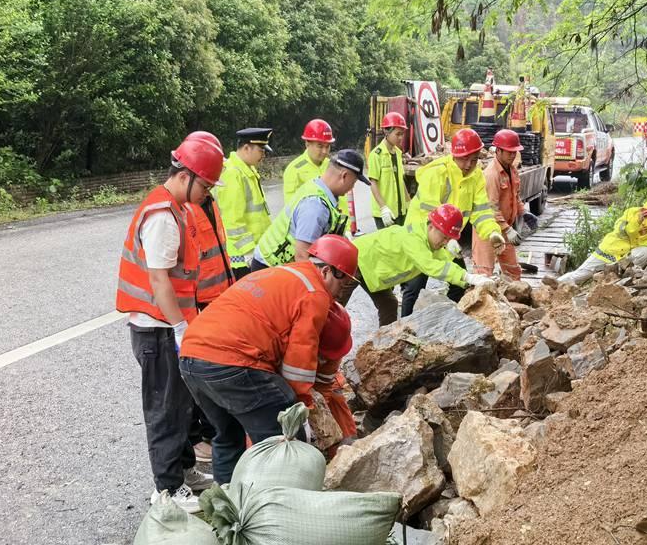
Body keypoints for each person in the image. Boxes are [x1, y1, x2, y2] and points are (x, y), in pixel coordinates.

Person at [178, 235, 358, 485]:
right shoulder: (314, 293)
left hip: (192, 358)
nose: (340, 294)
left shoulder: (285, 274)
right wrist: (301, 409)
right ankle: (278, 507)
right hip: (231, 360)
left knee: (228, 436)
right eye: (344, 284)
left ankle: (228, 505)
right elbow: (300, 359)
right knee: (284, 438)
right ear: (327, 272)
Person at [115, 135, 221, 513]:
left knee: (182, 406)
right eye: (206, 185)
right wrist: (179, 327)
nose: (208, 193)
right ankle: (166, 488)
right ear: (187, 175)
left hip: (165, 326)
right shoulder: (163, 216)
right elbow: (159, 280)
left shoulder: (176, 208)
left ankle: (185, 472)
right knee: (165, 410)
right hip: (157, 329)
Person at [401, 128, 506, 317]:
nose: (468, 164)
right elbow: (429, 209)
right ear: (454, 155)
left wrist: (492, 232)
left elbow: (481, 211)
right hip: (421, 234)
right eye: (463, 159)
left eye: (473, 160)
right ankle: (404, 329)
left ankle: (447, 321)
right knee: (414, 286)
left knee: (460, 282)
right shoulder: (437, 173)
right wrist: (447, 238)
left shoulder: (476, 177)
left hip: (445, 238)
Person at [338, 203, 496, 326]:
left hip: (370, 269)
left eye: (449, 239)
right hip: (355, 261)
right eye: (444, 237)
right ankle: (322, 357)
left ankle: (386, 345)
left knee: (389, 305)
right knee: (333, 310)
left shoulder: (429, 241)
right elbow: (431, 266)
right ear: (431, 226)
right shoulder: (413, 239)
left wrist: (471, 280)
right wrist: (468, 277)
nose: (445, 243)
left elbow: (444, 261)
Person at [182, 131, 235, 464]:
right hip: (198, 307)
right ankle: (197, 440)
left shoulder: (208, 201)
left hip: (220, 300)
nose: (211, 187)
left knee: (214, 373)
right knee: (191, 379)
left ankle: (210, 433)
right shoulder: (183, 207)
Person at [251, 149, 368, 271]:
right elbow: (302, 257)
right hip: (269, 268)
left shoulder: (318, 187)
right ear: (344, 176)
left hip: (276, 264)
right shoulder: (315, 206)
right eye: (353, 182)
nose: (352, 187)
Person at [558, 188, 647, 285]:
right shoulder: (633, 212)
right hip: (610, 249)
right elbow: (619, 230)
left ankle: (620, 279)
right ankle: (553, 285)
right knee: (580, 275)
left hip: (626, 259)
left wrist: (642, 235)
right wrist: (636, 224)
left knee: (646, 252)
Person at [214, 128, 273, 279]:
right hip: (243, 259)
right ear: (247, 148)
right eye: (261, 151)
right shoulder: (233, 174)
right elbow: (233, 221)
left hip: (256, 253)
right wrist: (249, 252)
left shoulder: (247, 170)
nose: (263, 155)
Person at [472, 129, 526, 281]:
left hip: (504, 228)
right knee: (484, 275)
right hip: (487, 230)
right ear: (499, 151)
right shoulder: (491, 174)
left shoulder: (512, 170)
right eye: (509, 152)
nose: (513, 155)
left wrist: (523, 213)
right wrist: (508, 230)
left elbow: (515, 196)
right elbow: (491, 208)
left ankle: (514, 301)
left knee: (513, 271)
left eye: (514, 151)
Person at [313, 302, 357, 446]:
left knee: (334, 395)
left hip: (320, 377)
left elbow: (324, 386)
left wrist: (320, 414)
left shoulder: (335, 340)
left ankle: (347, 448)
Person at [369, 112, 410, 228]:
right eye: (398, 134)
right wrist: (383, 208)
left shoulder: (398, 153)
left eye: (402, 134)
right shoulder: (376, 155)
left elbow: (401, 181)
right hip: (386, 213)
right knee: (387, 245)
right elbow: (373, 183)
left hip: (400, 211)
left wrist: (408, 203)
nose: (401, 138)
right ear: (386, 132)